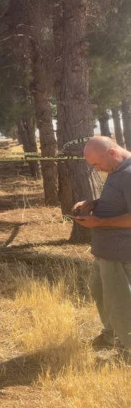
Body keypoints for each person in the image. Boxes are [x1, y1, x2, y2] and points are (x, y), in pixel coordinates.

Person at [72, 136, 131, 358]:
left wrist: (101, 222)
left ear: (112, 153)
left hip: (121, 253)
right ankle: (111, 336)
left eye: (97, 164)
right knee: (100, 292)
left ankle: (128, 350)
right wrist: (94, 204)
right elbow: (121, 202)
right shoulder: (117, 170)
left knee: (121, 302)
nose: (96, 170)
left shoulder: (129, 174)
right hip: (105, 252)